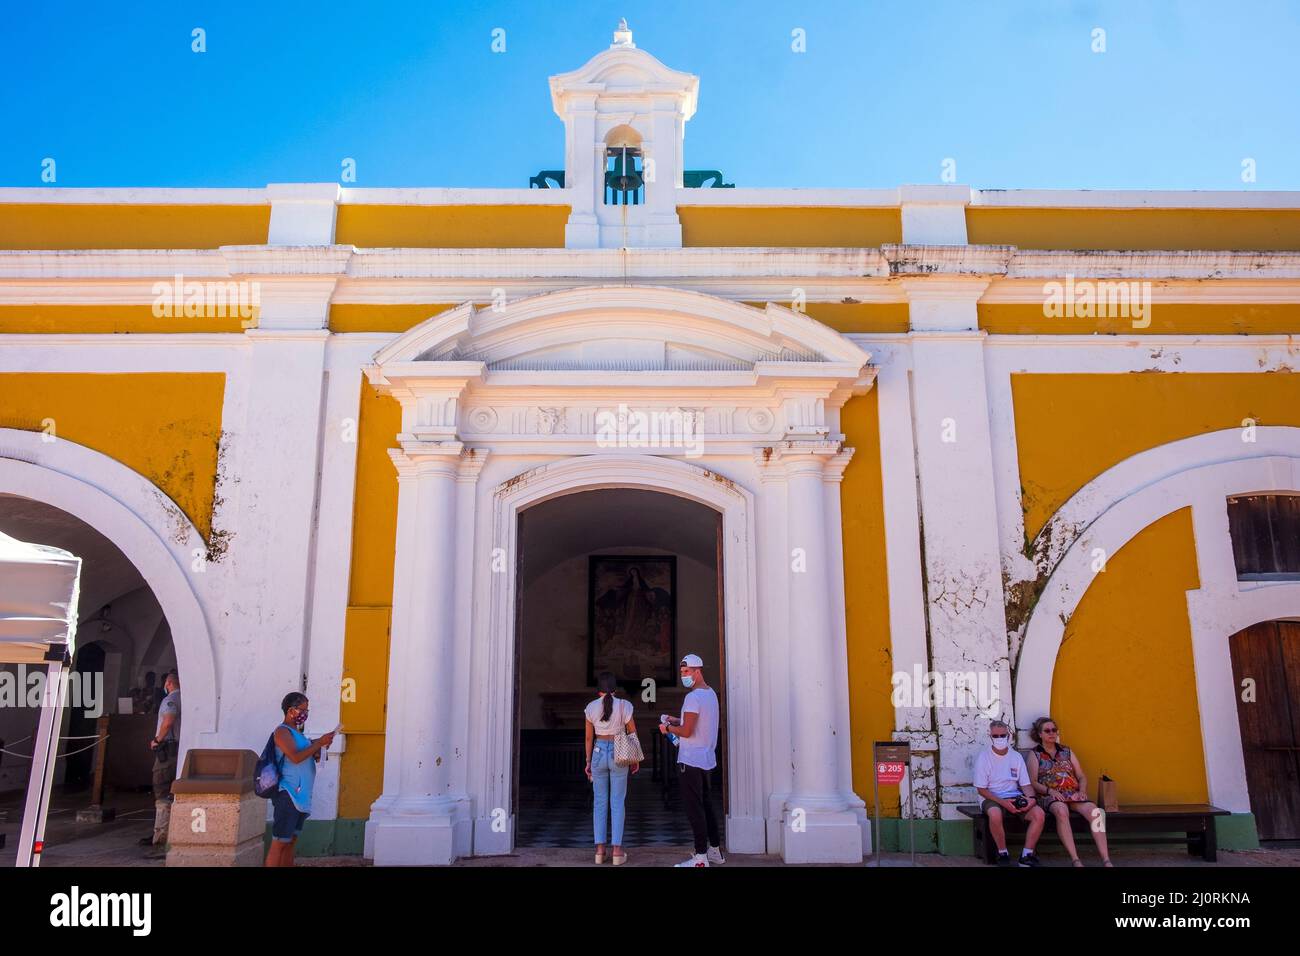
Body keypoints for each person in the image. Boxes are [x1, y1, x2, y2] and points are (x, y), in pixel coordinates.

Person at [659, 653, 724, 867]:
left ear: (698, 671)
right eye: (681, 673)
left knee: (694, 808)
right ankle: (715, 851)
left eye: (687, 672)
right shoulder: (710, 695)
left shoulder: (693, 697)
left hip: (691, 761)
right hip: (706, 760)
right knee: (706, 805)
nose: (684, 676)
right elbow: (695, 722)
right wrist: (675, 719)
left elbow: (686, 731)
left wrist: (667, 727)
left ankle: (700, 857)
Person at [1026, 716, 1113, 867]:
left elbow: (1081, 776)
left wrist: (1082, 790)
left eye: (1054, 730)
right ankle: (1075, 860)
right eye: (1047, 731)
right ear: (1040, 734)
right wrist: (1050, 791)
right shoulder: (1035, 754)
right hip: (1049, 795)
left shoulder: (1066, 751)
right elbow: (1033, 781)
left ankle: (1106, 860)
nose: (1052, 733)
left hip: (1072, 793)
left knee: (1097, 812)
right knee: (1061, 810)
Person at [265, 692, 335, 867]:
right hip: (288, 794)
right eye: (303, 709)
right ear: (291, 710)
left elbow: (309, 755)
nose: (306, 713)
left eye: (307, 710)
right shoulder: (282, 732)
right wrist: (317, 744)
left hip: (301, 796)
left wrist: (321, 746)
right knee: (279, 843)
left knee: (290, 843)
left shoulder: (299, 734)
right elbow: (295, 757)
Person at [584, 671, 640, 865]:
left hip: (598, 752)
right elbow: (632, 731)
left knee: (599, 802)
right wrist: (635, 758)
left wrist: (588, 761)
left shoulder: (591, 708)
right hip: (619, 752)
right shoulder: (624, 705)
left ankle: (599, 851)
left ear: (598, 689)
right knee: (617, 802)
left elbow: (589, 738)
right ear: (615, 689)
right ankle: (617, 851)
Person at [973, 719, 1045, 867]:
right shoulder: (984, 758)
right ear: (990, 737)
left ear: (1009, 735)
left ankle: (1026, 855)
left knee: (1039, 814)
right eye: (996, 736)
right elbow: (981, 789)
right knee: (995, 814)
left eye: (1002, 735)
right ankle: (1002, 853)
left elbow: (1025, 785)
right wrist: (1004, 803)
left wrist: (1031, 799)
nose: (1000, 739)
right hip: (992, 797)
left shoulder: (1016, 757)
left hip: (1014, 795)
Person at [142, 671, 181, 854]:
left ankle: (161, 835)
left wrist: (157, 740)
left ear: (169, 683)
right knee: (173, 791)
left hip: (167, 750)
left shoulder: (170, 700)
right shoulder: (187, 699)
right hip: (178, 750)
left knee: (162, 789)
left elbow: (168, 721)